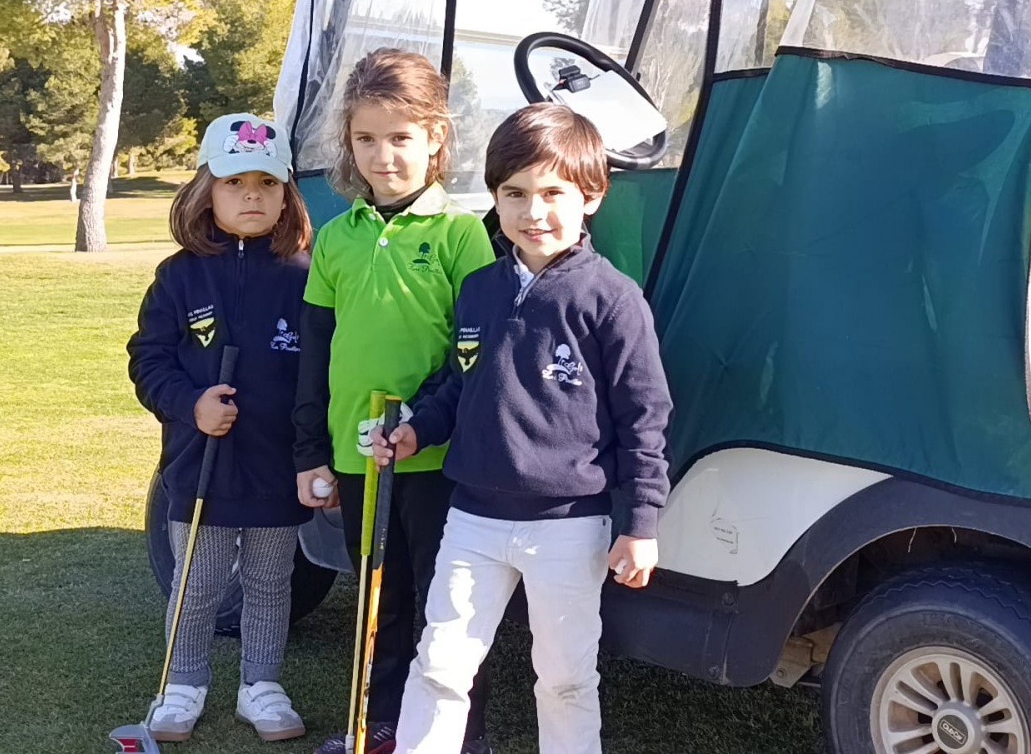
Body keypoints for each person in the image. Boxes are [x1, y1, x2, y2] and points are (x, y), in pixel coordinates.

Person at [372, 103, 673, 754]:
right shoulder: (479, 288)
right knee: (440, 666)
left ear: (592, 196)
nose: (533, 212)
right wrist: (417, 430)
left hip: (570, 525)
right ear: (495, 197)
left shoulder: (613, 300)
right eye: (514, 194)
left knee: (564, 680)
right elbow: (459, 383)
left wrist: (641, 524)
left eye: (553, 193)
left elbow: (644, 418)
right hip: (472, 519)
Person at [291, 49, 496, 754]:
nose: (383, 156)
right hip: (358, 458)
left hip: (438, 459)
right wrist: (311, 452)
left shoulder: (461, 234)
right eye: (366, 138)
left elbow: (475, 353)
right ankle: (380, 723)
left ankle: (459, 734)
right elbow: (315, 355)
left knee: (447, 604)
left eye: (401, 137)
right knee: (379, 599)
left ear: (435, 136)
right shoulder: (336, 238)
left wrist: (423, 420)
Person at [128, 113, 314, 743]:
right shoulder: (179, 276)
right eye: (235, 182)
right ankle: (182, 685)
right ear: (207, 190)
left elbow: (320, 372)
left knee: (269, 582)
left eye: (267, 182)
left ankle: (261, 685)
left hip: (276, 465)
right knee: (198, 583)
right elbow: (149, 361)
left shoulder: (305, 275)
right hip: (198, 465)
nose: (251, 195)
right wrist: (191, 404)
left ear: (287, 194)